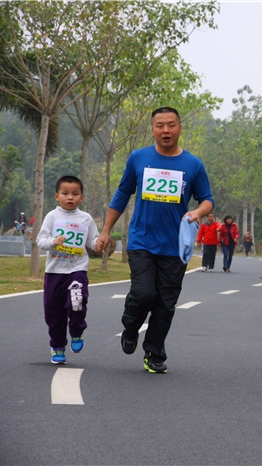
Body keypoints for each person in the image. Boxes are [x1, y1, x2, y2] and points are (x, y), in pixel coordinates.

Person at [96, 107, 214, 374]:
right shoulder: (139, 158)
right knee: (143, 293)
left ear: (180, 128)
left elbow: (207, 199)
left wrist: (197, 212)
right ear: (152, 130)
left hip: (175, 246)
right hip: (141, 241)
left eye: (171, 125)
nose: (166, 130)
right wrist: (106, 230)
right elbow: (122, 195)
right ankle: (130, 327)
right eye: (160, 125)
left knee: (165, 303)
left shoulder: (193, 164)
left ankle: (154, 353)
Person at [36, 176, 100, 364]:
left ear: (82, 197)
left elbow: (92, 240)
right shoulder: (52, 216)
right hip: (54, 272)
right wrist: (54, 242)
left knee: (77, 302)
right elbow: (40, 241)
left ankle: (77, 331)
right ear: (57, 196)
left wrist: (99, 245)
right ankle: (57, 346)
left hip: (77, 270)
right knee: (53, 312)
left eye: (75, 194)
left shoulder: (86, 218)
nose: (70, 197)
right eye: (65, 193)